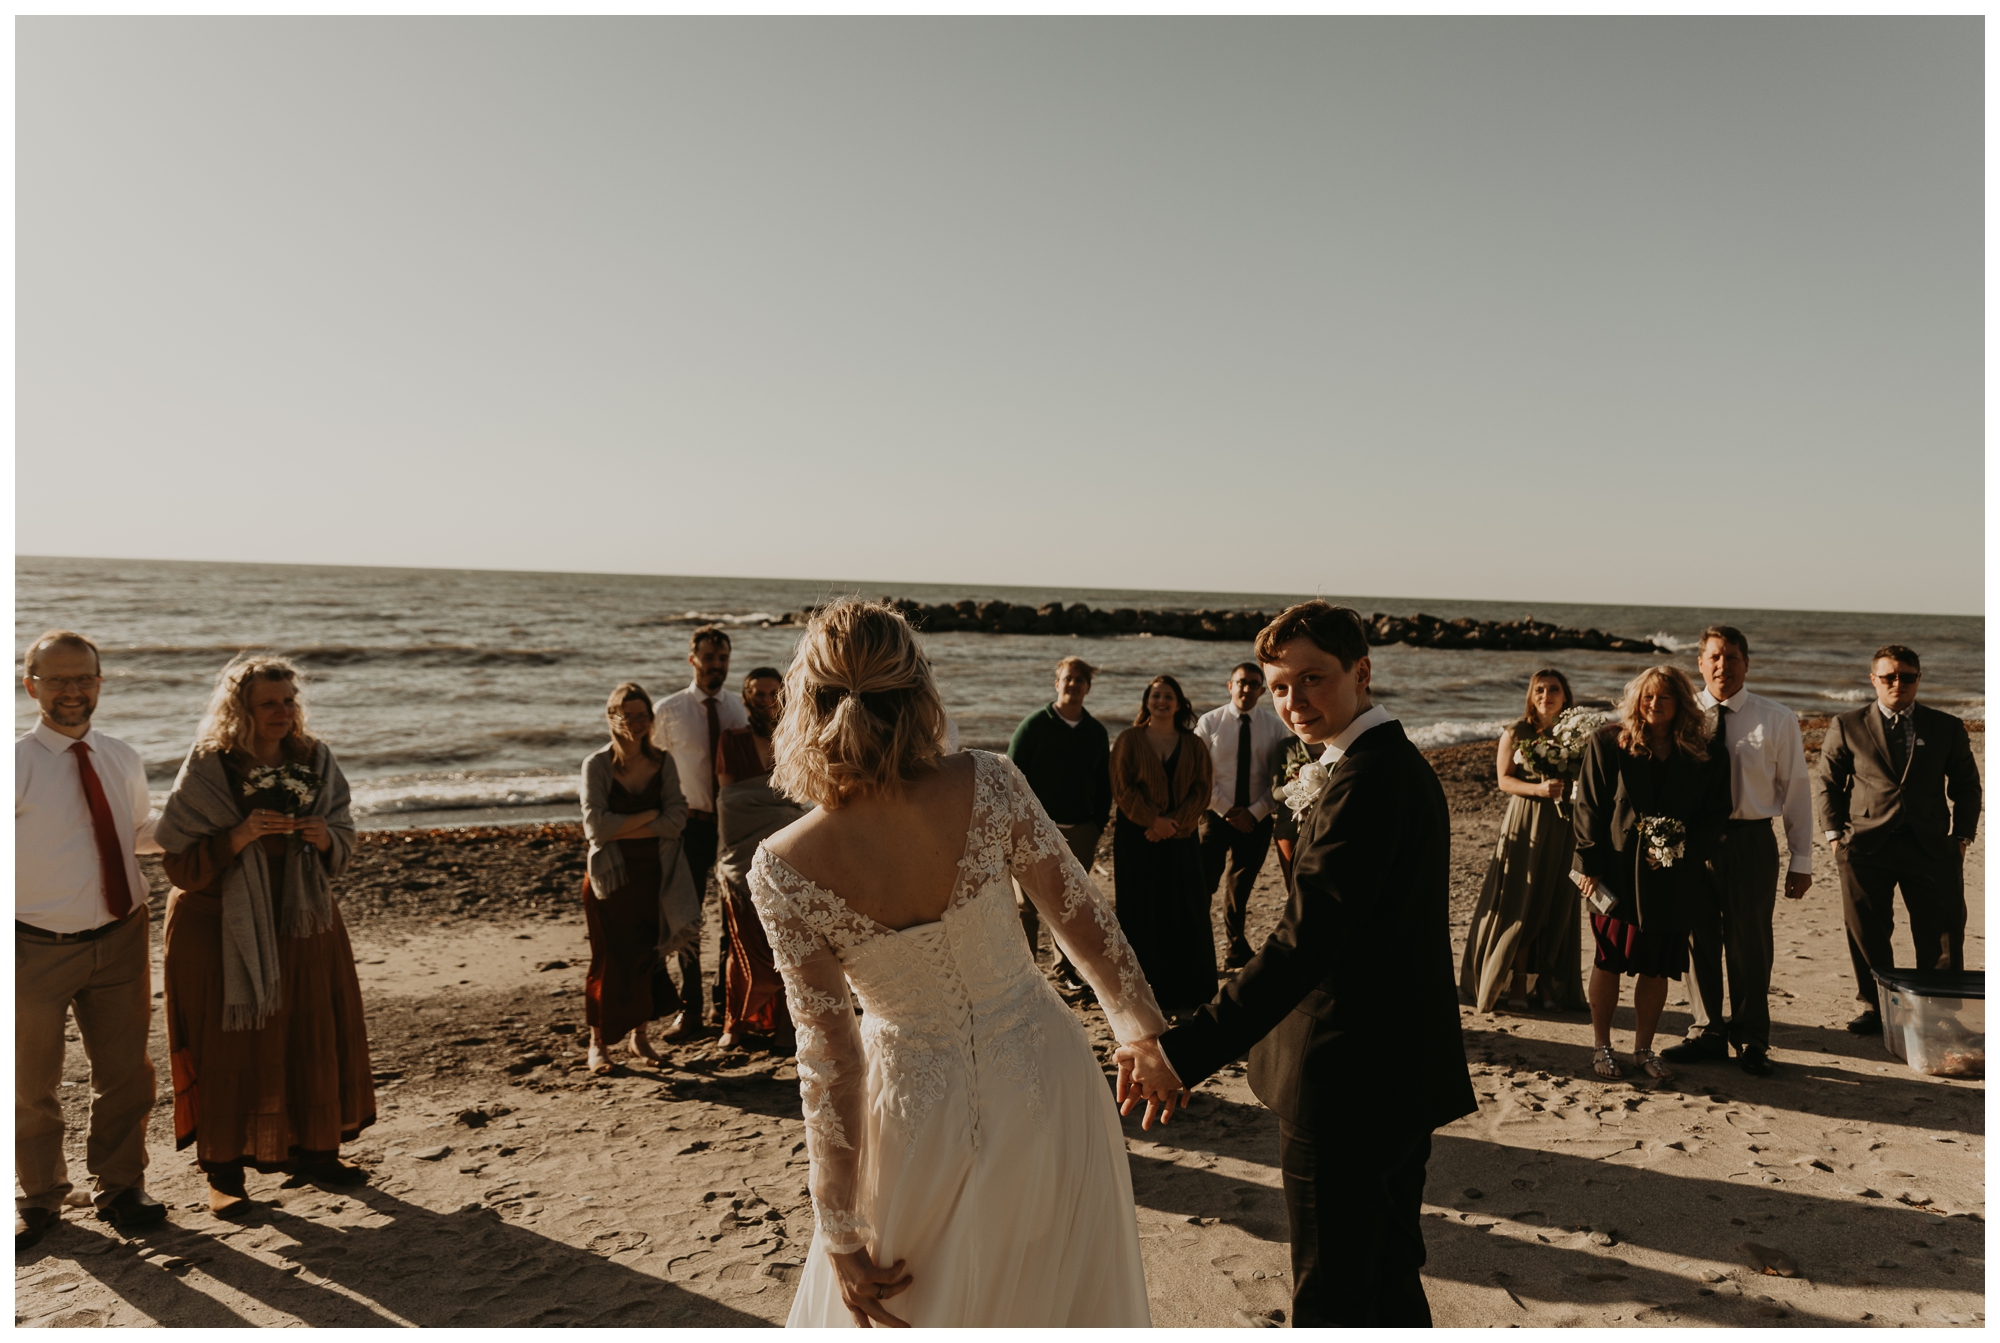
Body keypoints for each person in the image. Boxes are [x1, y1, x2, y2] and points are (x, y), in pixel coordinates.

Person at [747, 600, 1167, 1327]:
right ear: (919, 691)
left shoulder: (782, 866)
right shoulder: (990, 781)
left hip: (914, 1113)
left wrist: (839, 1223)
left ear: (804, 704)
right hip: (1047, 1080)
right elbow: (1084, 919)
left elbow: (829, 1057)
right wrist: (1140, 1032)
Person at [1122, 601, 1475, 1328]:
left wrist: (1182, 1052)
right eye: (1281, 686)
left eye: (1313, 679)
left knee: (1334, 1290)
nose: (1294, 701)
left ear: (1362, 671)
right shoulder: (1385, 763)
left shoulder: (1368, 780)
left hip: (1349, 1078)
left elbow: (1299, 946)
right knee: (1385, 1273)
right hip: (1397, 1067)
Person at [155, 655, 374, 1218]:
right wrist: (240, 835)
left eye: (289, 701)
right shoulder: (211, 765)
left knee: (309, 1029)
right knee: (232, 1041)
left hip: (302, 917)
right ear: (240, 710)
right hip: (219, 921)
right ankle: (223, 1173)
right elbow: (176, 861)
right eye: (269, 703)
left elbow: (346, 835)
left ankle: (316, 1153)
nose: (283, 712)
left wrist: (324, 836)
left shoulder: (315, 758)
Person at [16, 630, 168, 1248]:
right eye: (57, 679)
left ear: (100, 683)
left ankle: (120, 1186)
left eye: (83, 678)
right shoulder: (14, 761)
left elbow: (136, 834)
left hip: (123, 933)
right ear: (32, 686)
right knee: (29, 1081)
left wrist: (208, 820)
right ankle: (42, 1195)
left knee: (127, 1073)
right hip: (34, 945)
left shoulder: (122, 755)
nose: (72, 691)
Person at [1661, 626, 1813, 1077]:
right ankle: (1707, 1030)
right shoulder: (1680, 715)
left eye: (1731, 657)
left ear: (1746, 663)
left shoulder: (1777, 718)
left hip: (1751, 841)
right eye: (1713, 657)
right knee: (1697, 940)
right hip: (1692, 843)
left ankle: (1750, 1037)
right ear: (1700, 663)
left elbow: (1797, 790)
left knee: (1750, 944)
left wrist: (1801, 859)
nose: (1722, 665)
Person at [1571, 667, 1731, 1082]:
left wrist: (1684, 853)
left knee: (1657, 965)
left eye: (1664, 698)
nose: (1654, 705)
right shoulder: (1609, 741)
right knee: (1608, 959)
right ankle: (1602, 1045)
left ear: (1681, 703)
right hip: (1615, 871)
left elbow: (1716, 814)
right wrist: (1588, 864)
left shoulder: (1706, 751)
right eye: (1647, 698)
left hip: (1674, 876)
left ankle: (1643, 1049)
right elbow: (1588, 806)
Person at [1812, 644, 1981, 1035]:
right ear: (1874, 680)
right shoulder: (1847, 724)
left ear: (1918, 679)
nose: (1897, 683)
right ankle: (1876, 1007)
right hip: (1865, 845)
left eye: (1907, 676)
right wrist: (1835, 837)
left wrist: (1962, 836)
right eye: (1889, 676)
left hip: (1932, 845)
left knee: (1943, 931)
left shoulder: (1946, 726)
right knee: (1867, 930)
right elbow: (1828, 784)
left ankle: (1939, 1009)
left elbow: (1967, 787)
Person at [578, 683, 699, 1074]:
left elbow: (678, 818)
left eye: (643, 715)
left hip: (656, 875)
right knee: (610, 959)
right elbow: (596, 828)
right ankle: (597, 1045)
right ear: (612, 718)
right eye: (628, 715)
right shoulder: (596, 765)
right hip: (611, 880)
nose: (637, 723)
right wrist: (651, 817)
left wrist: (624, 825)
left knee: (648, 957)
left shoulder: (663, 762)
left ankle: (640, 1038)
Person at [1458, 669, 1588, 1014]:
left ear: (1565, 695)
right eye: (1540, 690)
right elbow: (1504, 780)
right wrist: (1539, 789)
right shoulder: (1517, 732)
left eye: (1554, 689)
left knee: (1556, 901)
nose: (1547, 695)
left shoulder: (1577, 735)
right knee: (1521, 900)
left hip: (1564, 825)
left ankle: (1547, 981)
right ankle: (1516, 980)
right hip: (1527, 820)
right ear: (1531, 696)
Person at [650, 624, 749, 1032]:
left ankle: (723, 1005)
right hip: (689, 826)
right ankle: (690, 1008)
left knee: (733, 917)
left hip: (732, 827)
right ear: (692, 660)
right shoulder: (669, 710)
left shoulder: (739, 708)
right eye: (708, 658)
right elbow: (656, 770)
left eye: (722, 659)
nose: (716, 666)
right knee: (686, 918)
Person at [1004, 656, 1112, 993]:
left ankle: (1064, 971)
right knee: (1027, 906)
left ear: (1088, 688)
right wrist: (1018, 825)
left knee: (1068, 905)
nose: (1074, 684)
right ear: (1057, 683)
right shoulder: (1035, 725)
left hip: (1080, 832)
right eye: (1068, 678)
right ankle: (1025, 974)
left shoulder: (1095, 731)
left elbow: (1103, 784)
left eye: (1081, 680)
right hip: (1033, 831)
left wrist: (1095, 825)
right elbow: (1010, 778)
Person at [1108, 675, 1216, 1012]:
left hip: (1181, 838)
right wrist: (1153, 820)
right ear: (1146, 702)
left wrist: (1175, 823)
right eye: (1155, 695)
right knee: (1141, 909)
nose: (1162, 701)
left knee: (1184, 909)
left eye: (1168, 696)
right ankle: (1142, 993)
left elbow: (1202, 790)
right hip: (1137, 838)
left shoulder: (1194, 744)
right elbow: (1121, 788)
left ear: (1180, 703)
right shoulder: (1129, 739)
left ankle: (1188, 992)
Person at [713, 667, 803, 1051]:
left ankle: (787, 1025)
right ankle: (734, 1024)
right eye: (758, 693)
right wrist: (780, 815)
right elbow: (730, 803)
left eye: (773, 692)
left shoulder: (794, 739)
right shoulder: (731, 740)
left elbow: (801, 794)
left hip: (784, 853)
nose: (766, 700)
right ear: (746, 697)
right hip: (739, 853)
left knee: (786, 937)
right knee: (737, 942)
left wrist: (784, 820)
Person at [1194, 663, 1293, 969]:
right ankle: (1197, 950)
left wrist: (1254, 812)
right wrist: (1226, 811)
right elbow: (1200, 775)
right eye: (1241, 683)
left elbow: (1280, 777)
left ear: (1262, 691)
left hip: (1256, 819)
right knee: (1203, 885)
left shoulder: (1275, 726)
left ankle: (1235, 949)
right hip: (1213, 815)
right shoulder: (1209, 723)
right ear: (1229, 685)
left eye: (1253, 684)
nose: (1246, 689)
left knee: (1241, 888)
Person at [1267, 730, 1320, 884]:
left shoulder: (1337, 744)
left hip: (1326, 826)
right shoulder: (1286, 746)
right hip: (1290, 828)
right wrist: (1302, 789)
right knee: (1294, 886)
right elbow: (1275, 792)